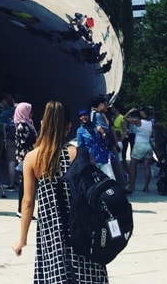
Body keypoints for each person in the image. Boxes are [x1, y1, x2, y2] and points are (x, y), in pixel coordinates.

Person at [13, 100, 109, 283]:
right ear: (69, 126)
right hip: (82, 228)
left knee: (55, 274)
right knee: (86, 275)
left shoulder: (32, 158)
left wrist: (22, 239)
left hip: (52, 230)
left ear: (43, 124)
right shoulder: (80, 154)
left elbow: (27, 202)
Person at [77, 109, 114, 180]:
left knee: (109, 176)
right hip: (91, 157)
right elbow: (81, 147)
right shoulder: (80, 131)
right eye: (81, 116)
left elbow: (105, 141)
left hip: (102, 155)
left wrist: (102, 133)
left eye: (85, 115)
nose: (83, 117)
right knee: (95, 179)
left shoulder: (96, 126)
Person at [124, 106, 154, 193]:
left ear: (144, 113)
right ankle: (146, 187)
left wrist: (131, 110)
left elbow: (125, 118)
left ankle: (132, 186)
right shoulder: (151, 122)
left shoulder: (138, 121)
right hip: (147, 144)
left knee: (133, 166)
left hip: (139, 145)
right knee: (147, 167)